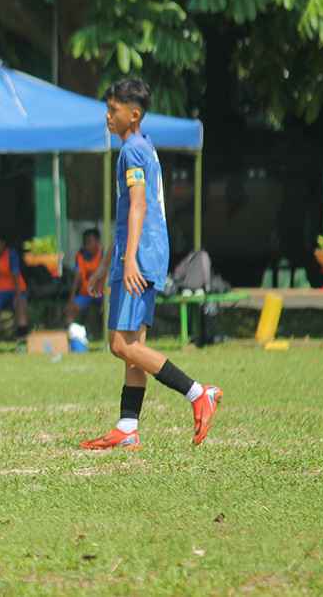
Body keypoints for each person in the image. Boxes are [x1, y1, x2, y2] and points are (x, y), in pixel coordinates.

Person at [82, 78, 222, 449]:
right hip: (144, 251)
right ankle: (128, 427)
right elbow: (130, 212)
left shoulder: (131, 151)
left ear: (134, 113)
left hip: (140, 254)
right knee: (134, 344)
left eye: (113, 110)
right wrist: (105, 264)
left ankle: (198, 392)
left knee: (119, 344)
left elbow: (140, 205)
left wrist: (129, 261)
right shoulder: (143, 148)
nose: (108, 116)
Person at [64, 228, 104, 326]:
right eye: (85, 242)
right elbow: (76, 277)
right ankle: (69, 332)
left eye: (90, 242)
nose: (87, 245)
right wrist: (71, 299)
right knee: (72, 308)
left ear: (98, 242)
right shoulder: (80, 255)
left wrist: (107, 298)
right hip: (85, 293)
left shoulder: (103, 254)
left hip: (102, 292)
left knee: (110, 308)